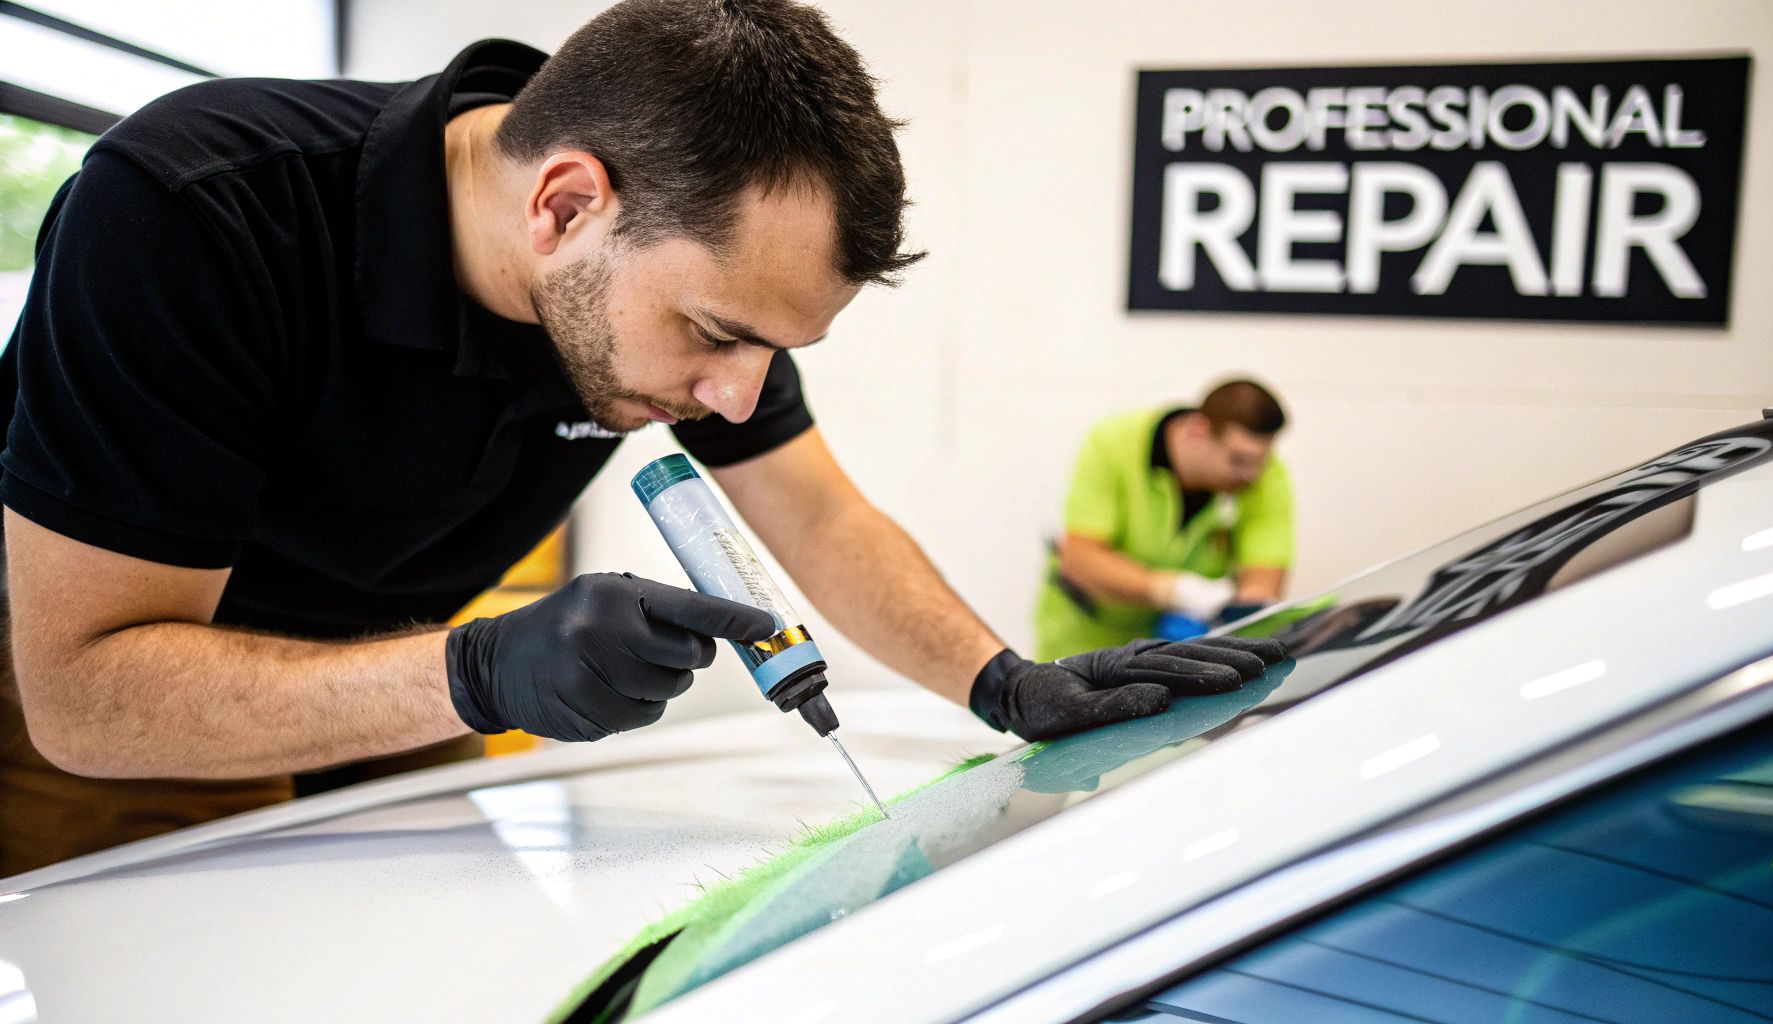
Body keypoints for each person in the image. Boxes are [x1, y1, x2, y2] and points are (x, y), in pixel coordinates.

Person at [0, 0, 1284, 875]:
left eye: (772, 351)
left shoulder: (675, 285)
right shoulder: (193, 214)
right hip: (122, 692)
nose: (738, 394)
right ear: (565, 204)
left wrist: (997, 682)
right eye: (717, 334)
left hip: (399, 675)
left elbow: (821, 518)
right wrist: (481, 674)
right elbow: (85, 701)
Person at [1036, 379, 1293, 660]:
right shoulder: (1113, 443)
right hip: (1089, 636)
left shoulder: (1262, 474)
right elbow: (1082, 559)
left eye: (1260, 460)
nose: (1252, 475)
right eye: (1238, 460)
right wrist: (1172, 590)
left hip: (1186, 643)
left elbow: (1262, 582)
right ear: (1199, 430)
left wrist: (1242, 609)